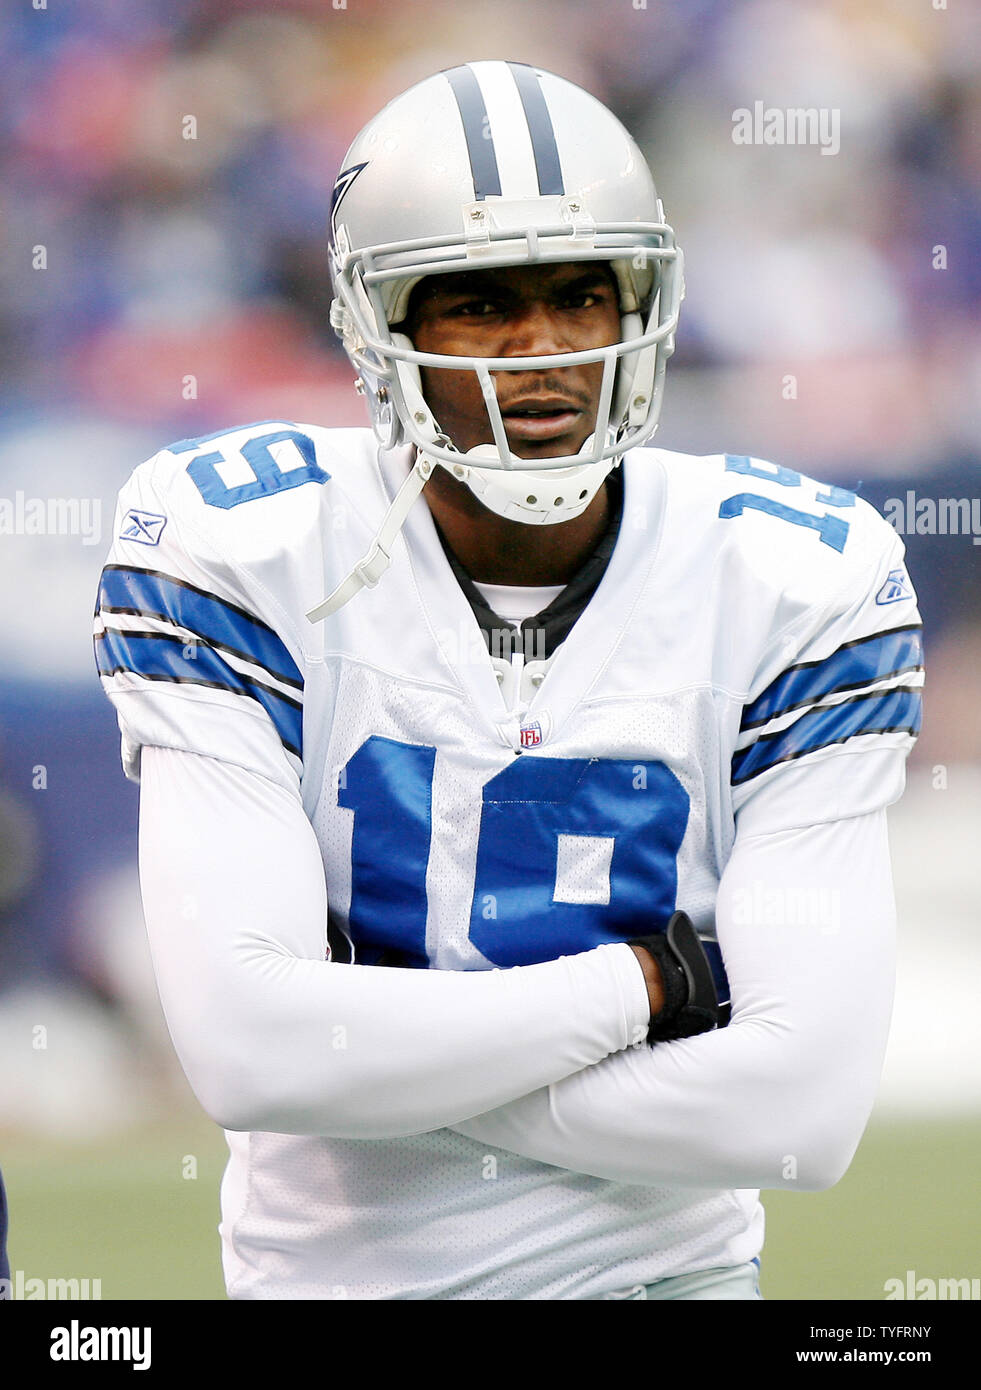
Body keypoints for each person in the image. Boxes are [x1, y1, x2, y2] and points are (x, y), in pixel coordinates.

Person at [94, 61, 923, 1301]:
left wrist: (371, 1067)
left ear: (641, 305)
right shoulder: (239, 543)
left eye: (583, 294)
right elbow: (249, 1054)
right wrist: (650, 985)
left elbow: (799, 1116)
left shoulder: (796, 572)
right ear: (385, 329)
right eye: (480, 303)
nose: (542, 350)